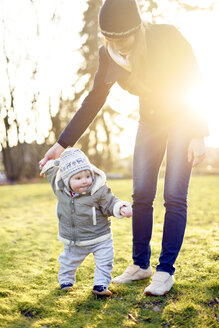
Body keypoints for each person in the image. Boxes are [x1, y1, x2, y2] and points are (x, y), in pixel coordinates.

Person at [39, 0, 208, 296]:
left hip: (183, 119)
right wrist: (61, 144)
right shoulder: (109, 54)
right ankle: (140, 265)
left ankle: (165, 270)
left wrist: (198, 133)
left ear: (139, 28)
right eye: (111, 38)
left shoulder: (167, 37)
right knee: (141, 194)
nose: (118, 45)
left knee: (173, 195)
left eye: (124, 38)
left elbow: (193, 81)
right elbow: (94, 100)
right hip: (150, 123)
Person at [41, 147, 132, 296]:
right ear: (66, 179)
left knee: (105, 262)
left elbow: (110, 202)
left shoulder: (99, 190)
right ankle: (66, 281)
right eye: (78, 178)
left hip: (100, 238)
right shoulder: (59, 188)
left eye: (87, 176)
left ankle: (101, 286)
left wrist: (121, 207)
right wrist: (46, 165)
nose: (85, 181)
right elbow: (52, 172)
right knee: (68, 261)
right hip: (74, 240)